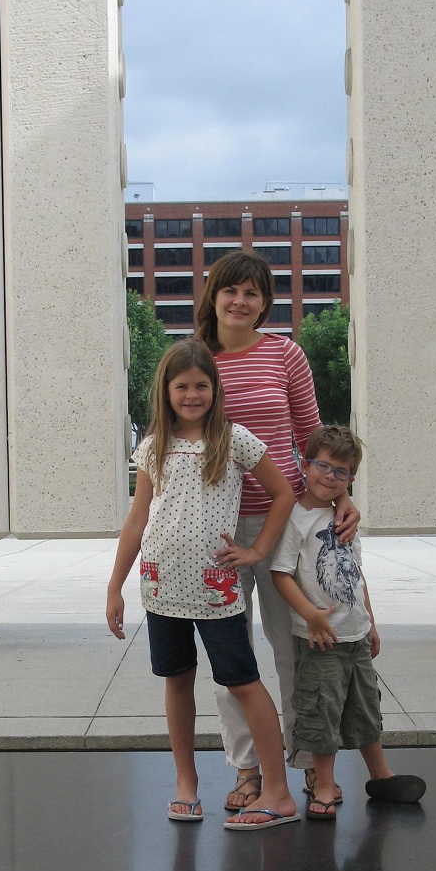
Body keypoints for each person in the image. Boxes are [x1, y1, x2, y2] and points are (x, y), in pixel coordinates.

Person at [106, 338, 299, 830]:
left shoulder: (234, 440)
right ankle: (186, 785)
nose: (192, 395)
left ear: (215, 389)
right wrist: (115, 586)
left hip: (217, 590)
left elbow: (282, 494)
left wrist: (257, 551)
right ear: (166, 391)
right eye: (182, 386)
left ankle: (278, 793)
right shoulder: (154, 446)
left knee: (242, 682)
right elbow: (137, 520)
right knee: (177, 681)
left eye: (201, 385)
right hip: (161, 587)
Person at [196, 250, 359, 812]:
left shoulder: (285, 353)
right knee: (231, 656)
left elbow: (314, 438)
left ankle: (308, 762)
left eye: (253, 293)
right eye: (231, 290)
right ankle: (247, 769)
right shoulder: (197, 359)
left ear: (265, 303)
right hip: (216, 532)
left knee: (296, 648)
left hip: (286, 520)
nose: (240, 302)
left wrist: (343, 495)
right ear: (214, 295)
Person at [269, 426, 426, 818]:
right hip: (320, 639)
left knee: (365, 707)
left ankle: (381, 775)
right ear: (305, 465)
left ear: (351, 479)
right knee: (322, 711)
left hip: (355, 634)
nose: (330, 477)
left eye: (341, 472)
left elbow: (357, 573)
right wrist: (310, 615)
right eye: (323, 466)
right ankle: (323, 784)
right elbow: (280, 574)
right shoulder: (295, 519)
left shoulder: (345, 517)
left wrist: (371, 622)